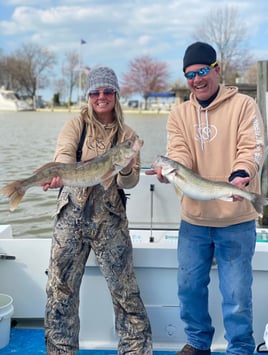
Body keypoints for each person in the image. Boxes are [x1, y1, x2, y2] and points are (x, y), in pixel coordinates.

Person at [149, 42, 265, 355]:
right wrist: (170, 169)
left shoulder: (244, 105)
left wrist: (243, 172)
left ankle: (240, 348)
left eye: (202, 71)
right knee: (188, 289)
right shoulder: (179, 113)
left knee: (237, 294)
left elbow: (252, 146)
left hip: (236, 218)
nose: (197, 79)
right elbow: (178, 151)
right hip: (194, 221)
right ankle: (198, 344)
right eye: (189, 75)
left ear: (216, 70)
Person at [42, 66, 152, 355]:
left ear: (116, 94)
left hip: (110, 220)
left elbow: (131, 180)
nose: (101, 97)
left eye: (107, 91)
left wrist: (127, 167)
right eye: (95, 92)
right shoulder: (75, 125)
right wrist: (59, 174)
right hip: (70, 217)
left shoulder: (128, 135)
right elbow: (64, 154)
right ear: (89, 95)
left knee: (126, 294)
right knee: (59, 292)